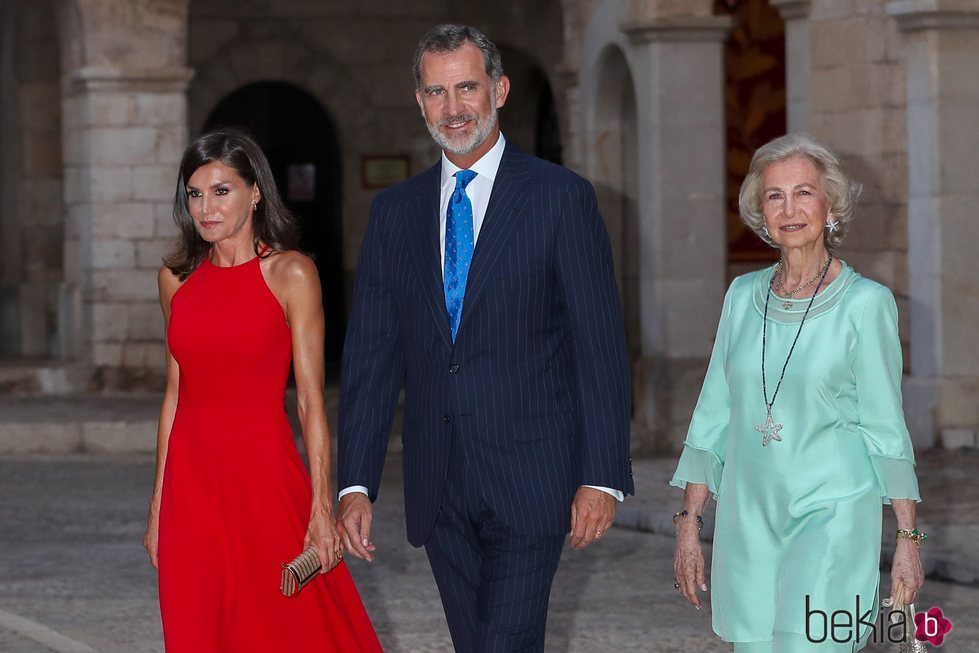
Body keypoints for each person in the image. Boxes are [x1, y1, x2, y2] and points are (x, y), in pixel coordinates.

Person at [337, 24, 633, 652]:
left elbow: (598, 348)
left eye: (466, 87)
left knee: (504, 642)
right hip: (437, 482)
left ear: (498, 89)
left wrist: (601, 475)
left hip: (535, 476)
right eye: (437, 92)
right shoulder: (395, 214)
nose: (453, 108)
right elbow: (371, 360)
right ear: (419, 102)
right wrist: (355, 483)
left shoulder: (561, 199)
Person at [670, 133, 924, 652]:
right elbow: (713, 416)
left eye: (804, 193)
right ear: (761, 212)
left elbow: (885, 427)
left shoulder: (865, 305)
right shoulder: (742, 297)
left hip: (831, 514)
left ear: (829, 204)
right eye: (775, 195)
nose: (790, 209)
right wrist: (689, 523)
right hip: (749, 519)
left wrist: (907, 540)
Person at [143, 129, 382, 652]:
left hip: (264, 477)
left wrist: (321, 508)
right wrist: (159, 505)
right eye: (195, 193)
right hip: (192, 485)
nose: (205, 207)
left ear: (255, 193)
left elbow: (311, 401)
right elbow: (174, 396)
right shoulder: (175, 279)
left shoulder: (291, 273)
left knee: (283, 627)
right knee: (196, 626)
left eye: (221, 190)